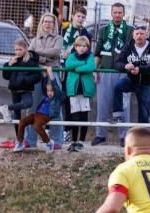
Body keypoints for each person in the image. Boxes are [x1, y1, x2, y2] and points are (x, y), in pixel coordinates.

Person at [93, 3, 133, 147]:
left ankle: (124, 136)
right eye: (115, 12)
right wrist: (95, 69)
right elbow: (97, 53)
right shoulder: (104, 30)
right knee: (102, 105)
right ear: (111, 13)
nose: (117, 15)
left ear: (124, 14)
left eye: (119, 12)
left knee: (124, 106)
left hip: (123, 73)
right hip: (105, 71)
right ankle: (100, 135)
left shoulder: (130, 30)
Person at [26, 13, 64, 150]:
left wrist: (39, 54)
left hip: (52, 73)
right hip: (37, 74)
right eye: (45, 21)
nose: (47, 24)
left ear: (54, 24)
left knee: (55, 106)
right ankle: (30, 140)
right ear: (41, 23)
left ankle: (57, 140)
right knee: (33, 106)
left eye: (50, 22)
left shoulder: (58, 38)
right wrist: (44, 58)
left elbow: (56, 52)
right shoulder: (35, 39)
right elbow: (30, 56)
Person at [112, 25, 150, 125]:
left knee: (144, 114)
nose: (139, 36)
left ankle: (142, 133)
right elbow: (117, 63)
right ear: (133, 36)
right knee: (118, 86)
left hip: (147, 84)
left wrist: (140, 69)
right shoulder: (128, 46)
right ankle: (117, 115)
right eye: (137, 34)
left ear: (146, 35)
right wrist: (125, 66)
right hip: (131, 80)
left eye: (142, 34)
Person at [0, 39, 42, 148]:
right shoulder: (13, 61)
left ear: (25, 49)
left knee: (28, 103)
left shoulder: (31, 61)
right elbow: (6, 76)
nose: (17, 52)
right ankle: (19, 140)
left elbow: (38, 76)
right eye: (16, 49)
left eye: (20, 49)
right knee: (16, 114)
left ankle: (7, 108)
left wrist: (26, 80)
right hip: (14, 89)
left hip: (26, 89)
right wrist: (9, 65)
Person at [12, 67, 64, 153]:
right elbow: (44, 85)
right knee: (23, 121)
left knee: (37, 126)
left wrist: (50, 74)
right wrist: (45, 74)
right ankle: (20, 142)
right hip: (37, 114)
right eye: (48, 91)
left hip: (45, 116)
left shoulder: (57, 97)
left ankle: (48, 142)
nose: (49, 93)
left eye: (51, 91)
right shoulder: (46, 94)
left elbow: (55, 86)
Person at [60, 6, 91, 143]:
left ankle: (69, 131)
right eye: (78, 16)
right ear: (73, 16)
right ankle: (54, 129)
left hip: (73, 73)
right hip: (60, 68)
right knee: (59, 99)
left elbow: (86, 55)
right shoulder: (64, 30)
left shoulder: (85, 33)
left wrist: (71, 58)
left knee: (71, 102)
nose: (80, 19)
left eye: (83, 17)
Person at [63, 36, 96, 152]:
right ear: (75, 47)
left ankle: (81, 141)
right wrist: (82, 64)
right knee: (75, 116)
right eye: (79, 46)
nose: (82, 48)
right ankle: (74, 141)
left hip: (85, 91)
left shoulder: (90, 56)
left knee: (84, 116)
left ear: (88, 47)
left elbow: (90, 67)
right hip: (73, 90)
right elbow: (68, 65)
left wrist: (76, 68)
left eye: (84, 46)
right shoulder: (72, 56)